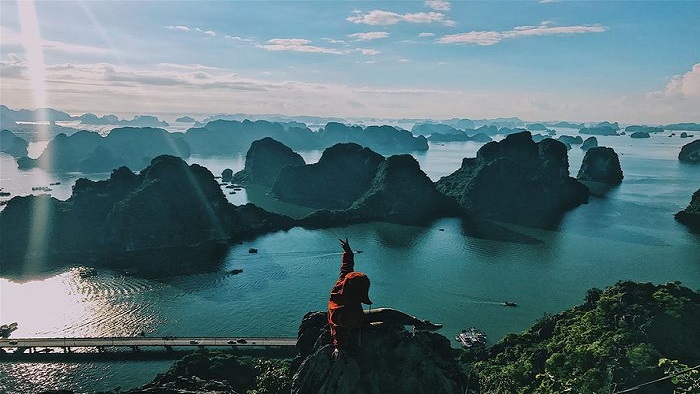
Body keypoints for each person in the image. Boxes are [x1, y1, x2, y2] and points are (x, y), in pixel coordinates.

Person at [328, 238, 442, 357]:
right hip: (353, 324)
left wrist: (348, 252)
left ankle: (419, 324)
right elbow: (337, 327)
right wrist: (338, 347)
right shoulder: (342, 309)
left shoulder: (343, 284)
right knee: (388, 324)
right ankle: (416, 326)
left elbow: (346, 268)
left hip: (357, 316)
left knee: (386, 311)